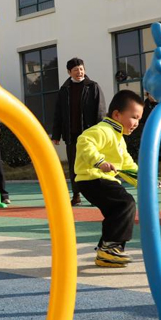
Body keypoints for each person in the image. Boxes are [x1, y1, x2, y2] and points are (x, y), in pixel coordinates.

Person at [75, 90, 143, 268]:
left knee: (117, 211)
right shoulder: (103, 130)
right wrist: (99, 161)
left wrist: (146, 181)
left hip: (100, 180)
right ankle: (110, 248)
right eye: (134, 117)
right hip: (92, 177)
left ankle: (107, 252)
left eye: (139, 119)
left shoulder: (119, 138)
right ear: (117, 114)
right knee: (125, 203)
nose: (137, 123)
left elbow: (127, 166)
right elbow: (84, 142)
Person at [52, 58, 106, 206]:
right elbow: (58, 113)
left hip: (89, 135)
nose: (79, 72)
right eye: (75, 70)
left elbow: (100, 111)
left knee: (92, 163)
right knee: (74, 166)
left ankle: (95, 195)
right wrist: (56, 135)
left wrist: (101, 133)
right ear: (69, 72)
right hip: (71, 135)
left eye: (81, 69)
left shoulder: (92, 87)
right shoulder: (64, 90)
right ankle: (76, 195)